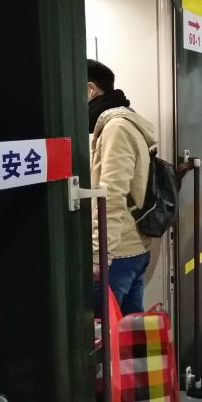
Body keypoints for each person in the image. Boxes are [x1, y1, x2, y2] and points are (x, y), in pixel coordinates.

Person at [88, 59, 157, 316]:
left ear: (90, 89)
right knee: (130, 329)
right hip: (131, 247)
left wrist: (99, 254)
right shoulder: (126, 122)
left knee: (104, 331)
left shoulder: (116, 128)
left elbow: (112, 195)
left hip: (117, 253)